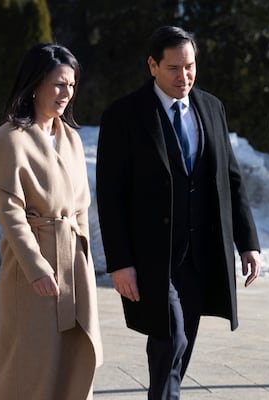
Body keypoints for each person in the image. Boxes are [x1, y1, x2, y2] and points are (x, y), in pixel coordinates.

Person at [96, 25, 260, 400]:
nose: (183, 76)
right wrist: (119, 262)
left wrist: (247, 242)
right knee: (172, 336)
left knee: (179, 346)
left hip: (200, 254)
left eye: (190, 66)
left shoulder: (211, 107)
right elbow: (110, 194)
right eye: (173, 68)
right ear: (152, 65)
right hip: (153, 256)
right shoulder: (124, 115)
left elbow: (230, 178)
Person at [0, 43, 103, 400]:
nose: (66, 93)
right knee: (31, 359)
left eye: (71, 85)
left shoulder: (71, 138)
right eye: (57, 84)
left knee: (74, 353)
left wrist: (82, 258)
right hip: (30, 268)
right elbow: (10, 211)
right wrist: (36, 267)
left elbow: (80, 205)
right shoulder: (11, 139)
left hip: (73, 264)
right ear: (35, 84)